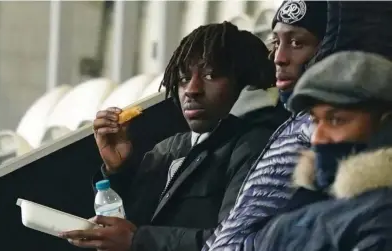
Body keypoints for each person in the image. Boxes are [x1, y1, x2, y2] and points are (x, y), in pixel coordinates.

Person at [60, 21, 289, 251]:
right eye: (183, 79)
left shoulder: (257, 144)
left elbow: (235, 242)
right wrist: (119, 170)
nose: (191, 89)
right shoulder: (167, 149)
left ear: (245, 82)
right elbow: (129, 224)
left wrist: (137, 241)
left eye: (210, 76)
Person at [204, 1, 327, 250]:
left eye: (297, 43)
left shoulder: (319, 129)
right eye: (276, 43)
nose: (279, 58)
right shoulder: (293, 123)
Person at [253, 51, 392, 251]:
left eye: (336, 120)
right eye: (315, 121)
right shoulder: (308, 197)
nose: (317, 138)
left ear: (385, 126)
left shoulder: (382, 216)